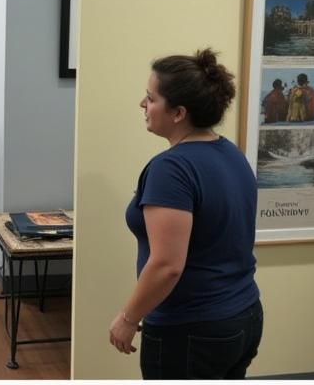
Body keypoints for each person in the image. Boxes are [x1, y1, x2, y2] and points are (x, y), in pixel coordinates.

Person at [110, 49, 262, 379]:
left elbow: (167, 266)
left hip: (192, 331)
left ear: (178, 112)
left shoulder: (171, 169)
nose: (142, 105)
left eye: (150, 98)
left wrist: (128, 318)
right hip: (243, 315)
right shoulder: (230, 153)